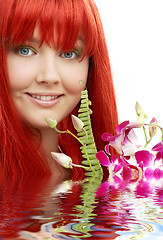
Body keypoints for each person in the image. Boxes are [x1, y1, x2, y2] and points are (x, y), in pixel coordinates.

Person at [0, 0, 118, 179]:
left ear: (91, 65)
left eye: (69, 53)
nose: (49, 76)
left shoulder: (110, 176)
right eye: (25, 50)